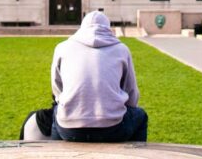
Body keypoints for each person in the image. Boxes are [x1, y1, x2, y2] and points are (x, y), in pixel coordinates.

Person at [48, 11, 147, 142]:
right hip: (112, 127)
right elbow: (131, 90)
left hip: (69, 128)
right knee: (141, 116)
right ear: (108, 27)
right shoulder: (122, 49)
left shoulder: (62, 47)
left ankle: (55, 153)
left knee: (57, 113)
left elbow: (57, 87)